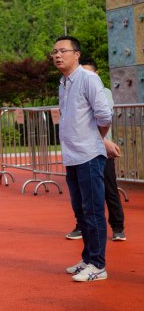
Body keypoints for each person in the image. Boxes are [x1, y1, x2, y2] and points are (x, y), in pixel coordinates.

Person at [52, 36, 113, 282]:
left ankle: (98, 265)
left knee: (93, 210)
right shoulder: (63, 83)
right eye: (54, 52)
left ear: (76, 54)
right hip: (72, 157)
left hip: (88, 155)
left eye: (62, 51)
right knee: (81, 211)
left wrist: (97, 139)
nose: (57, 55)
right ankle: (88, 259)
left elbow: (104, 115)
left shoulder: (88, 79)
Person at [65, 58, 126, 242]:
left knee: (109, 189)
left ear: (96, 74)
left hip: (100, 149)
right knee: (81, 194)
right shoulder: (69, 88)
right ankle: (81, 226)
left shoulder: (102, 91)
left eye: (89, 72)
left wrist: (103, 141)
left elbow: (101, 116)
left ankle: (118, 227)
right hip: (81, 152)